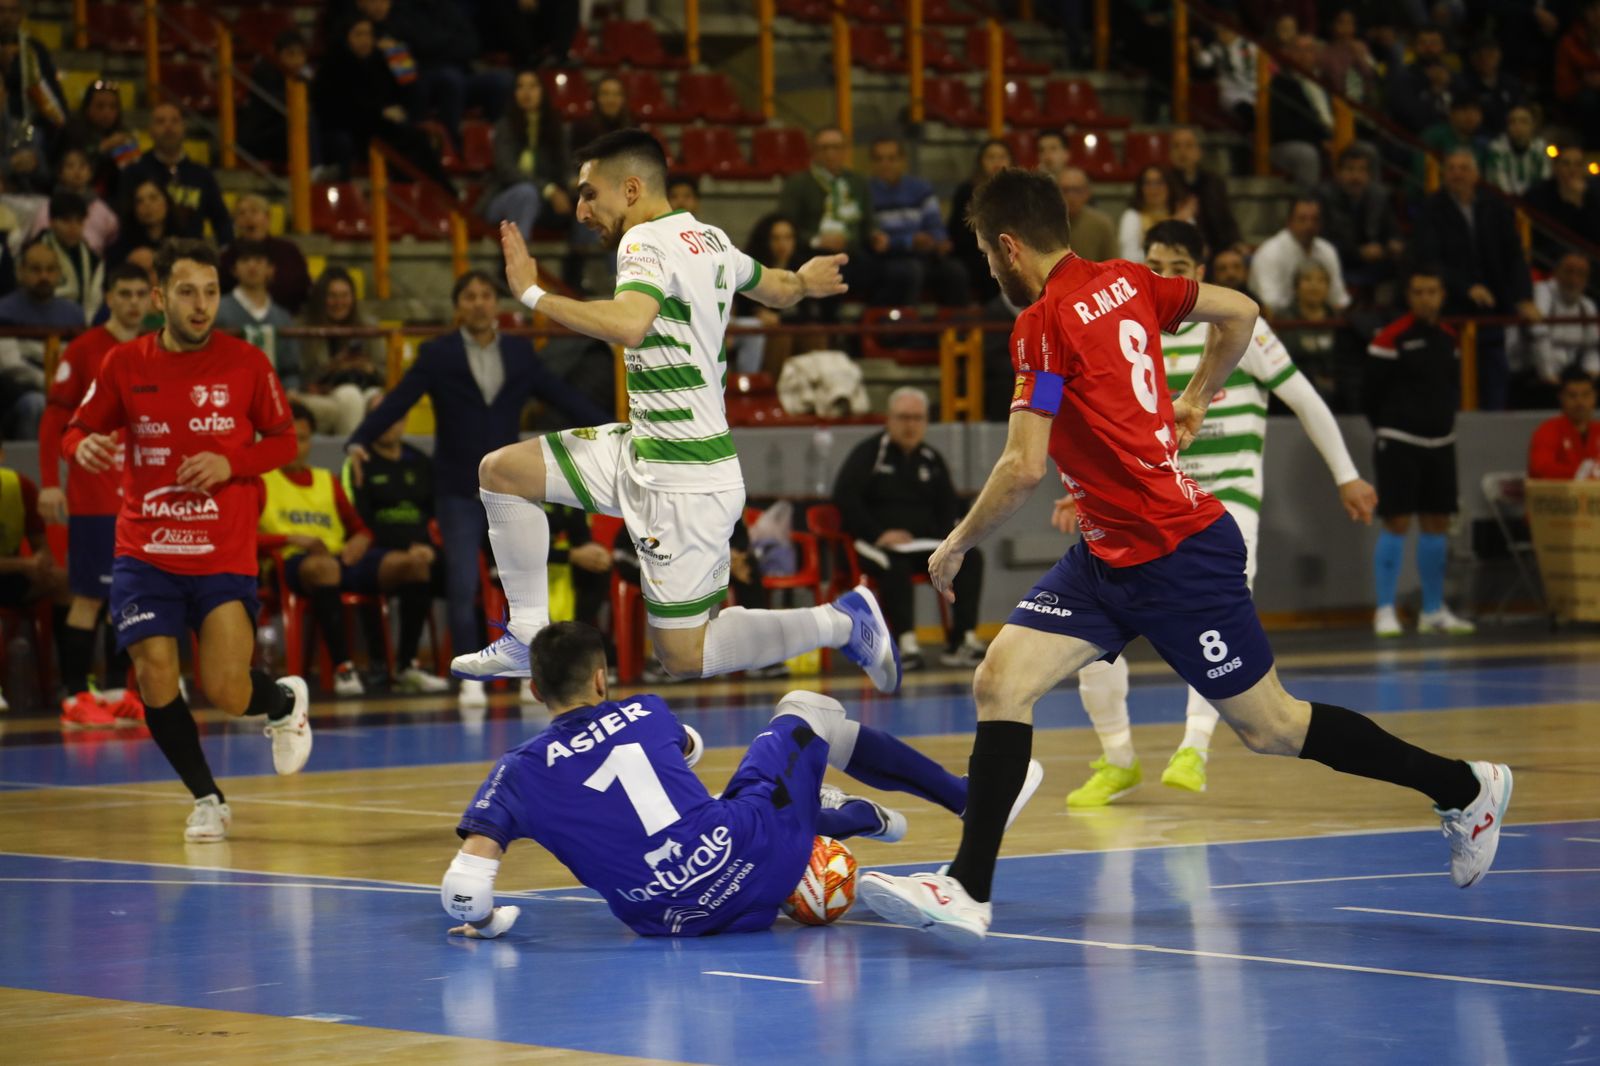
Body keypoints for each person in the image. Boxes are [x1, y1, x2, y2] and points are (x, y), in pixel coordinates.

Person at [854, 168, 1511, 943]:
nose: (985, 265)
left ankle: (1466, 786)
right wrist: (1198, 391)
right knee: (1000, 679)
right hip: (1107, 558)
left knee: (1272, 728)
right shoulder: (1130, 281)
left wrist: (956, 544)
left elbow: (1023, 469)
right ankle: (968, 887)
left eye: (981, 249)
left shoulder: (1041, 322)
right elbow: (1242, 311)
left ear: (1006, 245)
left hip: (1176, 555)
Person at [445, 130, 902, 701]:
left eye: (590, 195)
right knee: (501, 472)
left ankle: (842, 621)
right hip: (643, 447)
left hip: (683, 479)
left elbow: (630, 323)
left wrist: (533, 295)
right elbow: (778, 288)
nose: (582, 211)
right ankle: (526, 632)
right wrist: (805, 281)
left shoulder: (642, 246)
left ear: (631, 189)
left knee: (682, 655)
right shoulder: (708, 239)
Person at [441, 621, 1044, 940]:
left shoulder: (516, 772)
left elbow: (464, 892)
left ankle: (834, 813)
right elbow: (690, 748)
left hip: (670, 923)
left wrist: (489, 924)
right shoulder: (647, 710)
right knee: (806, 707)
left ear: (534, 689)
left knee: (721, 804)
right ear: (602, 679)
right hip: (755, 861)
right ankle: (968, 801)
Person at [1063, 220, 1376, 806]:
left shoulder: (1242, 332)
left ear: (1199, 274)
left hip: (1225, 505)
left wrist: (1347, 474)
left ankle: (1195, 747)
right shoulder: (1132, 330)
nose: (1161, 275)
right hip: (1146, 504)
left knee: (1213, 624)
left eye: (1176, 266)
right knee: (1093, 636)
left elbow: (1305, 400)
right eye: (1152, 262)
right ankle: (1117, 758)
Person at [62, 237, 312, 842]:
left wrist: (232, 463)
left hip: (222, 551)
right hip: (145, 550)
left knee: (225, 689)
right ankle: (207, 798)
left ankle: (280, 704)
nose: (201, 305)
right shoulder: (125, 363)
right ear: (159, 298)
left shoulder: (247, 363)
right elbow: (77, 429)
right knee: (153, 672)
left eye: (210, 292)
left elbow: (283, 441)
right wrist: (82, 446)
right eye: (186, 292)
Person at [344, 269, 609, 710]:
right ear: (457, 306)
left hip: (513, 490)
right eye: (469, 296)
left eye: (487, 295)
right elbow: (399, 399)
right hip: (458, 491)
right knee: (463, 582)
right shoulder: (438, 353)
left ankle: (535, 675)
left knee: (525, 587)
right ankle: (472, 679)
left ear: (497, 304)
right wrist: (359, 438)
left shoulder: (521, 354)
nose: (479, 303)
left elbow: (563, 395)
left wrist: (615, 426)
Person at [38, 263, 152, 726]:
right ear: (107, 296)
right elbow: (53, 419)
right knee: (88, 597)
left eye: (140, 294)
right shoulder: (85, 349)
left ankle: (114, 691)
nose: (131, 302)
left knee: (129, 599)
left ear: (152, 299)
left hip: (140, 497)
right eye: (123, 293)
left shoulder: (153, 350)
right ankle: (72, 696)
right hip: (95, 496)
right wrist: (50, 480)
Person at [833, 387, 986, 671]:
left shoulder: (931, 458)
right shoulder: (870, 454)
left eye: (917, 418)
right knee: (894, 564)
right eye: (903, 417)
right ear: (889, 419)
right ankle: (906, 642)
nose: (910, 425)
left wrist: (949, 542)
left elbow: (948, 504)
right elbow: (845, 497)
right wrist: (879, 534)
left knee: (971, 557)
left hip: (923, 544)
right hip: (874, 543)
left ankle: (962, 639)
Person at [1365, 268, 1476, 638]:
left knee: (1437, 524)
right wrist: (1390, 427)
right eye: (1418, 291)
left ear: (1442, 294)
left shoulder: (1450, 339)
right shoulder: (1389, 339)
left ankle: (1432, 610)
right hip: (1399, 442)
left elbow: (1451, 389)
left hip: (1441, 443)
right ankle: (1384, 610)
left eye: (1432, 291)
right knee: (1396, 522)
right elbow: (1370, 394)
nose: (1426, 298)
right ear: (1409, 297)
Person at [340, 392, 450, 691]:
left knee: (468, 575)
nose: (391, 423)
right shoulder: (359, 464)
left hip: (422, 551)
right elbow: (360, 522)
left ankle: (480, 667)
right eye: (382, 415)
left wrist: (430, 547)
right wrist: (409, 547)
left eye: (397, 415)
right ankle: (394, 664)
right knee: (405, 566)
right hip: (375, 553)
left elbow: (436, 516)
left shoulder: (421, 462)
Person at [1414, 149, 1537, 411]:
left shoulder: (1495, 206)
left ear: (1477, 174)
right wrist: (1466, 287)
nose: (1458, 174)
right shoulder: (1431, 209)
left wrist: (1523, 296)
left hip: (1492, 308)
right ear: (1444, 174)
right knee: (1453, 379)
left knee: (1495, 375)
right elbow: (1429, 259)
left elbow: (1514, 255)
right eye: (1452, 168)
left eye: (1464, 168)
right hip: (1449, 310)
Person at [313, 16, 456, 191]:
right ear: (346, 37)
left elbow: (411, 89)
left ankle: (443, 194)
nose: (365, 40)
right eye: (359, 34)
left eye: (369, 34)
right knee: (404, 146)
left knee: (418, 141)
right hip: (350, 131)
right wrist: (380, 112)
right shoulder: (333, 65)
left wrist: (399, 56)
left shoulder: (378, 61)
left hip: (379, 127)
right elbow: (336, 108)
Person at [777, 126, 887, 317]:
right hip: (811, 253)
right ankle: (824, 329)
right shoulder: (798, 183)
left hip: (852, 252)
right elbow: (786, 225)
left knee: (898, 272)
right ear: (814, 151)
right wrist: (818, 240)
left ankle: (873, 328)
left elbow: (868, 221)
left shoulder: (858, 182)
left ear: (845, 151)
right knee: (830, 275)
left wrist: (875, 234)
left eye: (836, 147)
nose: (830, 153)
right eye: (824, 148)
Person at [0, 238, 86, 439]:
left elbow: (79, 359)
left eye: (50, 269)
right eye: (35, 270)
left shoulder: (73, 313)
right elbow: (10, 364)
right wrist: (50, 385)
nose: (44, 276)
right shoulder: (3, 309)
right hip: (18, 393)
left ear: (59, 274)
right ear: (20, 272)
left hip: (65, 389)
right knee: (35, 403)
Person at [866, 139, 966, 307]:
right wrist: (908, 241)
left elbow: (935, 223)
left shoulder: (920, 188)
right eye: (879, 159)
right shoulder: (866, 191)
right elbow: (875, 237)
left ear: (903, 160)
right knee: (910, 271)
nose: (886, 164)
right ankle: (905, 329)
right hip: (888, 258)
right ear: (872, 163)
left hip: (923, 255)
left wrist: (938, 241)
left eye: (891, 158)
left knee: (955, 271)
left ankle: (954, 330)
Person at [119, 104, 232, 245]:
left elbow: (222, 221)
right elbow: (124, 219)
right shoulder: (135, 172)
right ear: (150, 131)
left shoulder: (202, 174)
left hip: (191, 256)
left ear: (184, 128)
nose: (168, 127)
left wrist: (227, 254)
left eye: (174, 121)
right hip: (146, 255)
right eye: (160, 121)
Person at [481, 69, 571, 241]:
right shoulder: (505, 126)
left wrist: (575, 184)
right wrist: (548, 189)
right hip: (504, 199)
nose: (527, 92)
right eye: (520, 87)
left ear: (543, 92)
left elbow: (564, 168)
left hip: (544, 205)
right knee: (526, 193)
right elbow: (507, 171)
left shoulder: (556, 127)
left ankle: (579, 265)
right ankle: (516, 263)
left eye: (533, 86)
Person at [294, 266, 384, 436]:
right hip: (322, 391)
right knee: (350, 396)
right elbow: (301, 375)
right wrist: (333, 367)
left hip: (364, 386)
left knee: (379, 400)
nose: (339, 302)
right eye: (332, 296)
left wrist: (368, 368)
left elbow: (384, 371)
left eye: (345, 296)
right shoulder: (303, 328)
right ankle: (349, 459)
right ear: (321, 299)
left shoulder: (368, 326)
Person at [1275, 261, 1366, 410]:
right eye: (1307, 279)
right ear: (1296, 287)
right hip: (1296, 391)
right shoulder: (1282, 320)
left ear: (1328, 287)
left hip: (1337, 392)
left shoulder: (1340, 321)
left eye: (1321, 280)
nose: (1314, 286)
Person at [1513, 252, 1600, 408]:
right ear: (1556, 272)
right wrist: (1550, 376)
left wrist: (1591, 374)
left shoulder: (1587, 306)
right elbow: (1539, 337)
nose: (1574, 280)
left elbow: (1591, 348)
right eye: (1569, 271)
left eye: (1581, 274)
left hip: (1571, 376)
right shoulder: (1542, 292)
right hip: (1538, 374)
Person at [215, 240, 300, 389]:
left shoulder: (283, 317)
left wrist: (290, 393)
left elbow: (291, 370)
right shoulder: (217, 310)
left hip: (277, 399)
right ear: (234, 269)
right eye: (245, 260)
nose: (252, 265)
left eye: (259, 260)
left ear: (271, 269)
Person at [1315, 148, 1404, 289]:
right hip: (1339, 261)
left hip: (1374, 260)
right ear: (1338, 173)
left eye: (1362, 170)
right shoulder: (1323, 197)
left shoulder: (1378, 196)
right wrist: (1358, 253)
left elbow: (1393, 231)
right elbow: (1322, 242)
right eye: (1350, 170)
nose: (1356, 177)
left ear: (1368, 175)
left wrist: (1394, 243)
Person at [1248, 197, 1351, 316]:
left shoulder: (1327, 250)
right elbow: (1269, 303)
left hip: (1320, 319)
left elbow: (1338, 298)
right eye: (1302, 219)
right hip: (1278, 322)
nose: (1309, 225)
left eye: (1315, 219)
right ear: (1289, 222)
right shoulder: (1270, 252)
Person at [218, 194, 311, 314]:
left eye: (254, 211)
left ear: (267, 217)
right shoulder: (227, 256)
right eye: (241, 213)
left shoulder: (289, 251)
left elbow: (303, 289)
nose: (248, 217)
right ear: (235, 222)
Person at [948, 139, 1012, 304]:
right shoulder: (966, 191)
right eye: (990, 157)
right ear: (980, 162)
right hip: (975, 253)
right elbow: (957, 232)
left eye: (1001, 157)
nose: (996, 162)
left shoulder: (1021, 192)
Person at [1268, 34, 1334, 189]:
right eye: (1299, 50)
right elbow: (1284, 126)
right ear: (1289, 54)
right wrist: (1321, 140)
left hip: (1330, 137)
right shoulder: (1281, 83)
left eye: (1310, 50)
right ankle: (1308, 206)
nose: (1305, 55)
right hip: (1292, 144)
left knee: (1365, 150)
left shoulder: (1324, 82)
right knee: (1307, 155)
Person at [27, 148, 118, 256]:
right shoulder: (47, 207)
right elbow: (40, 239)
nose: (77, 171)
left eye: (82, 166)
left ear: (90, 173)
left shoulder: (103, 210)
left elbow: (112, 238)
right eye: (70, 166)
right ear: (60, 173)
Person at [1166, 126, 1241, 256]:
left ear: (1199, 151)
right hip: (1179, 250)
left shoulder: (1214, 182)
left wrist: (1236, 242)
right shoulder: (1164, 183)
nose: (1182, 152)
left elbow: (1226, 219)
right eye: (1176, 146)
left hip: (1218, 250)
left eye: (1188, 146)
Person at [1523, 145, 1600, 263]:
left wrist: (1581, 205)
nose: (1572, 170)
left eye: (1577, 164)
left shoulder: (1592, 196)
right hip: (1549, 260)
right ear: (1555, 167)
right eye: (1566, 164)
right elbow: (1547, 237)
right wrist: (1569, 205)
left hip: (1588, 263)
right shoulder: (1539, 194)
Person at [60, 79, 139, 194]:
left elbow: (132, 176)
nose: (107, 112)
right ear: (87, 108)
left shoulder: (123, 135)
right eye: (100, 106)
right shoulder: (72, 132)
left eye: (113, 107)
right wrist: (103, 147)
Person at [0, 0, 65, 135]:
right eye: (1, 11)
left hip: (28, 129)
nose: (7, 17)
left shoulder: (34, 51)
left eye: (13, 11)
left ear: (21, 15)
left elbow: (52, 98)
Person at [1528, 367, 1600, 480]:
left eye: (1586, 395)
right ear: (1561, 397)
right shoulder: (1548, 430)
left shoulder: (1598, 430)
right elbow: (1540, 468)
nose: (1580, 402)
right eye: (1572, 396)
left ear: (1595, 396)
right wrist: (1583, 473)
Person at [39, 191, 100, 322]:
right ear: (51, 222)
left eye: (79, 221)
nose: (73, 228)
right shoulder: (36, 251)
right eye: (66, 220)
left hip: (82, 323)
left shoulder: (92, 258)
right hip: (43, 320)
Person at [106, 178, 193, 269]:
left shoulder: (184, 241)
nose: (147, 205)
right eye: (139, 201)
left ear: (166, 202)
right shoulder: (123, 246)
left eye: (153, 198)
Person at [1117, 164, 1188, 262]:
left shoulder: (1183, 216)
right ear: (1141, 188)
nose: (1153, 188)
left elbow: (1192, 255)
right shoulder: (1132, 217)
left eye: (1159, 182)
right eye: (1148, 183)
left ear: (1170, 186)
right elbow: (1129, 258)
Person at [1481, 104, 1551, 197]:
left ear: (1533, 126)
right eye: (1512, 122)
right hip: (1505, 204)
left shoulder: (1540, 148)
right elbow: (1499, 186)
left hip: (1535, 204)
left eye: (1523, 121)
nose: (1517, 126)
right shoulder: (1497, 149)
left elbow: (1545, 180)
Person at [1460, 37, 1524, 136]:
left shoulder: (1510, 83)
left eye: (1490, 55)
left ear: (1499, 56)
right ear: (1473, 58)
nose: (1485, 60)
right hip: (1477, 137)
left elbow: (1519, 109)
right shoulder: (1464, 83)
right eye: (1480, 56)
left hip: (1509, 135)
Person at [1554, 0, 1600, 133]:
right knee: (1588, 100)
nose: (1598, 15)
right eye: (1593, 10)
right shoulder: (1570, 43)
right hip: (1581, 101)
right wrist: (1585, 82)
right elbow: (1563, 87)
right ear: (1585, 13)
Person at [1055, 166, 1116, 263]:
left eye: (1077, 190)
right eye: (1065, 190)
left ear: (1087, 192)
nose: (1071, 196)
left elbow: (1113, 266)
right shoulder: (1044, 225)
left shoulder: (1102, 224)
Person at [570, 74, 630, 149]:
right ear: (596, 98)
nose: (611, 100)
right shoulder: (582, 128)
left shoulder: (632, 128)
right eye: (605, 94)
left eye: (616, 94)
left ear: (623, 99)